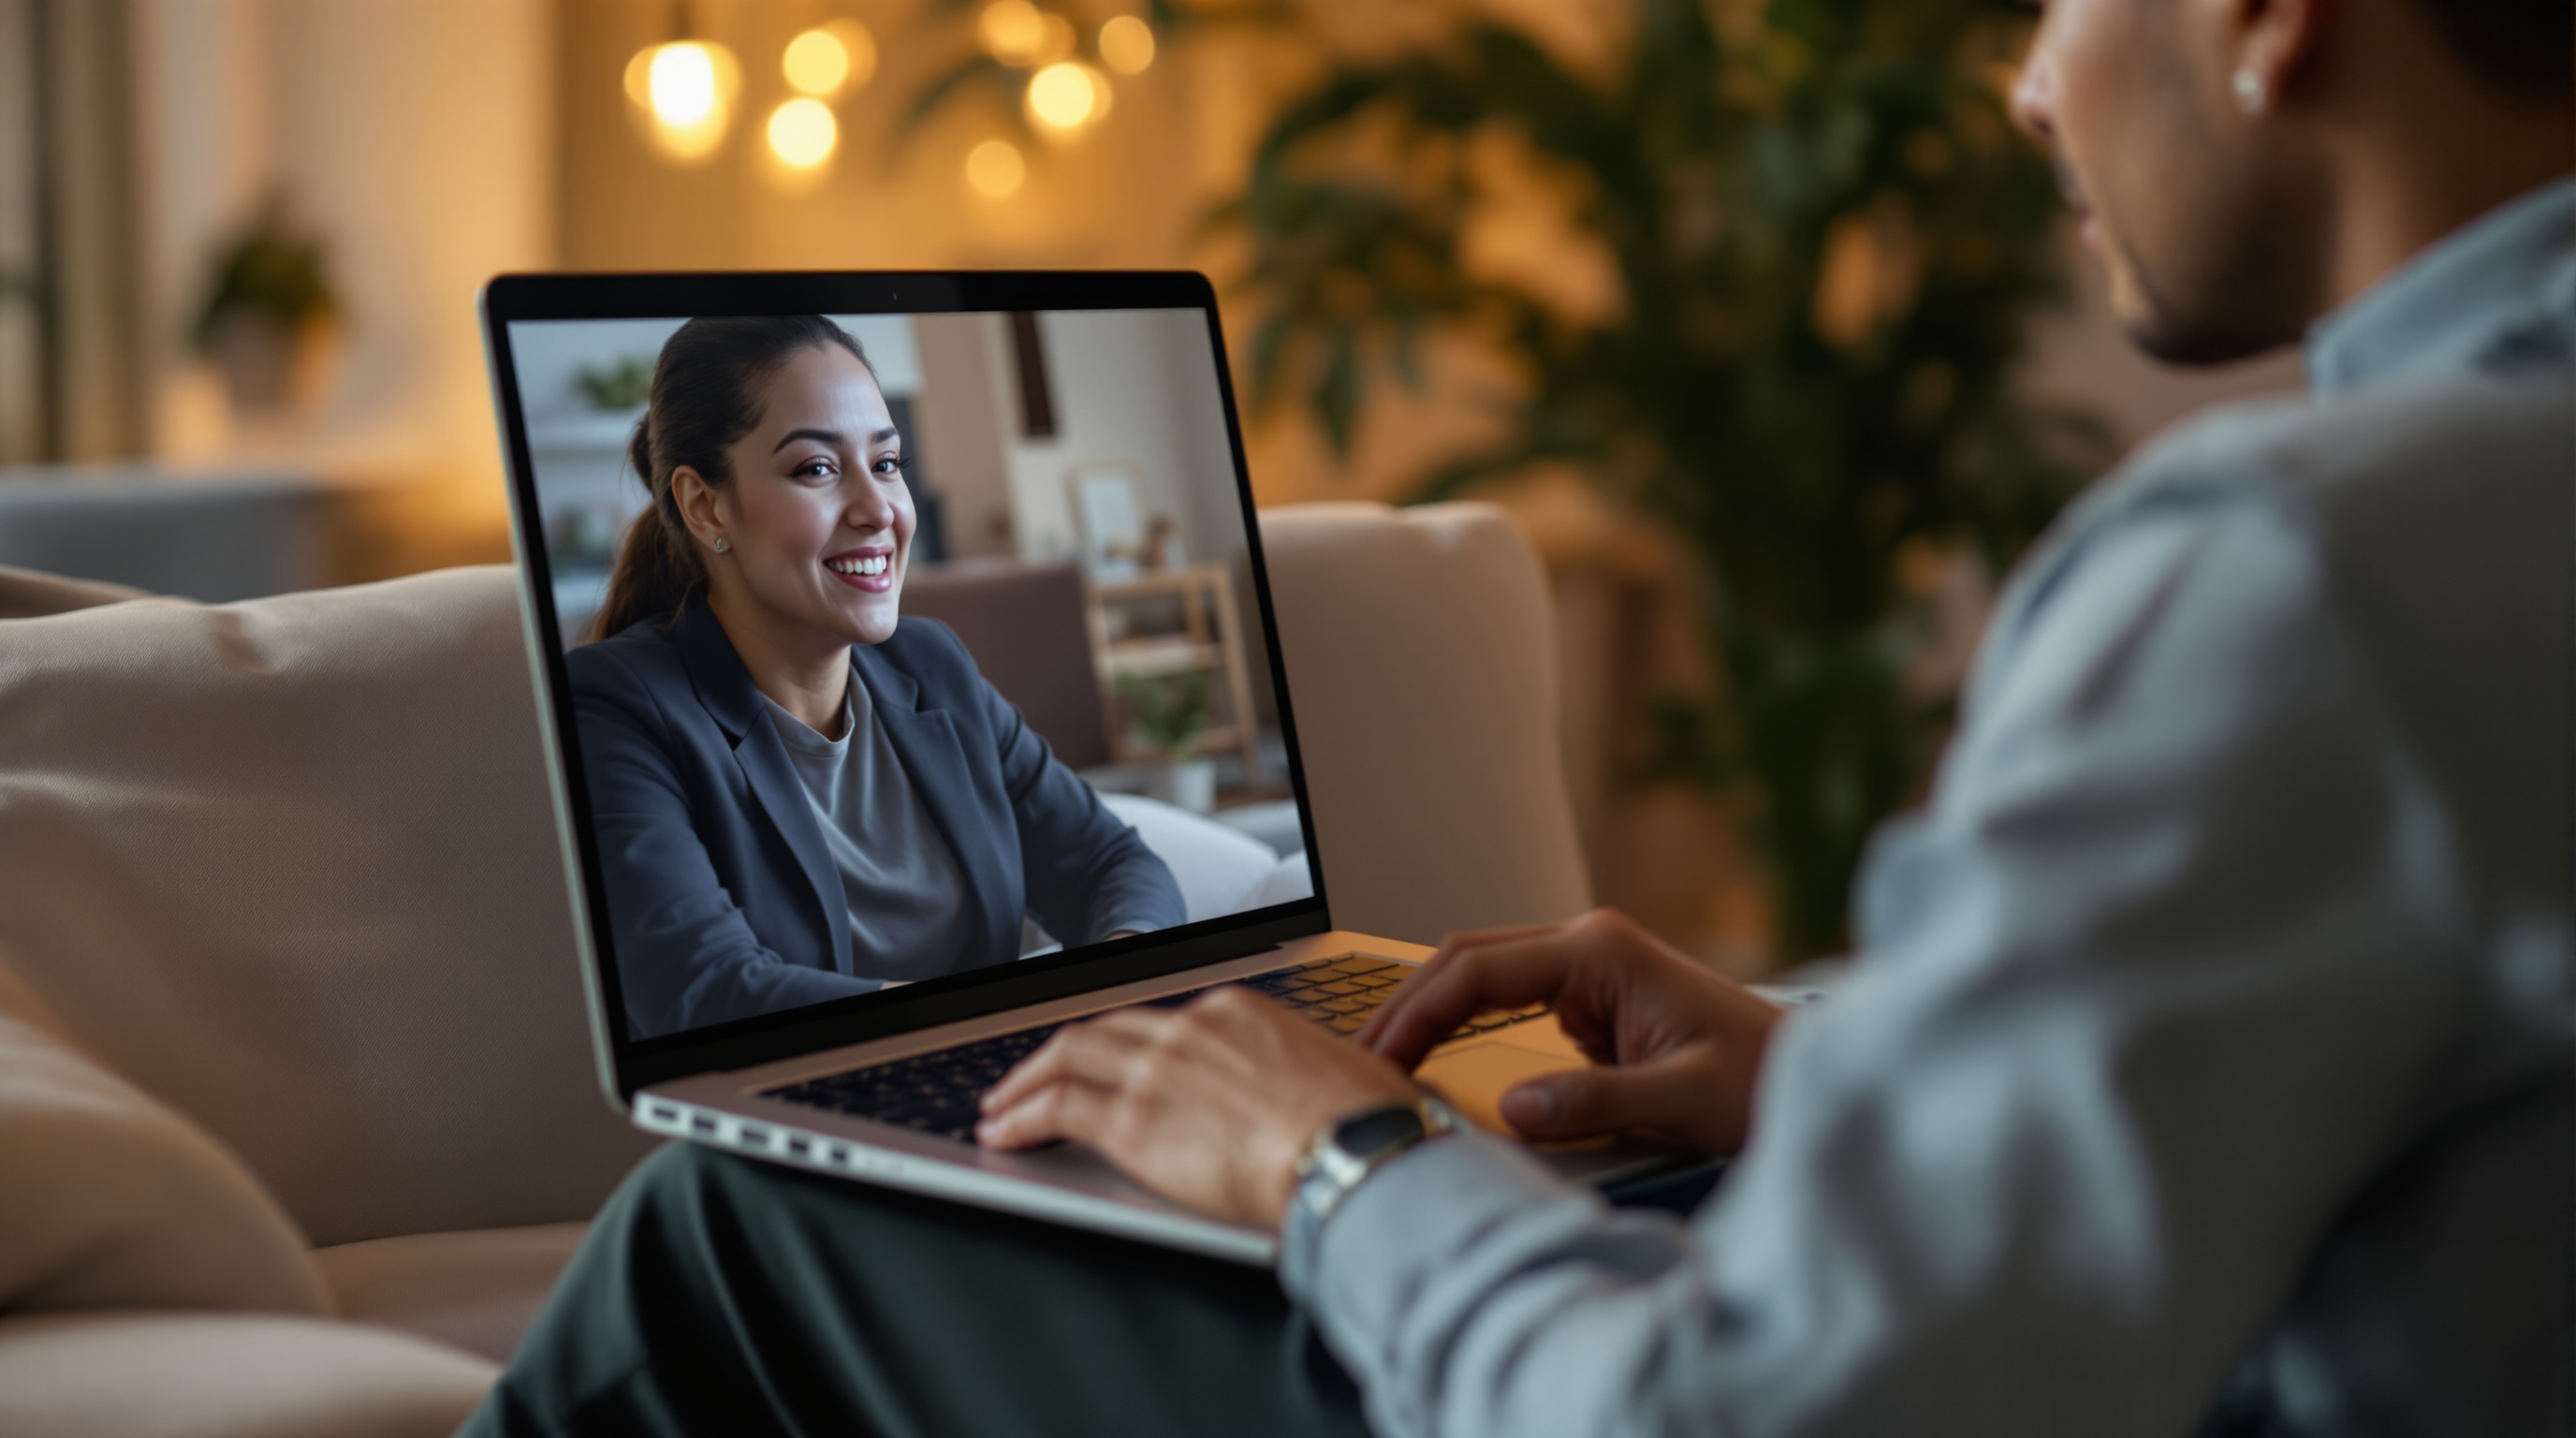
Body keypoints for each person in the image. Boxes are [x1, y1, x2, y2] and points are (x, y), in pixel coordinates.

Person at [467, 0, 2571, 1431]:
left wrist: (1327, 1155)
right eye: (813, 463)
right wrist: (1841, 1078)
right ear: (694, 500)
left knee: (725, 1219)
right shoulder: (645, 706)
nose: (2025, 88)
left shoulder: (2293, 567)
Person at [568, 315, 1184, 1040]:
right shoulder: (616, 702)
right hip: (816, 1125)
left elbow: (1109, 863)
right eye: (817, 470)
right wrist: (996, 1030)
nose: (879, 510)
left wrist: (1118, 992)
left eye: (887, 463)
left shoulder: (932, 665)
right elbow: (705, 988)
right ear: (706, 506)